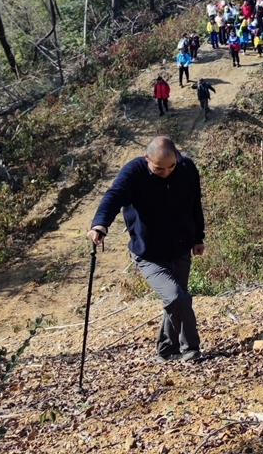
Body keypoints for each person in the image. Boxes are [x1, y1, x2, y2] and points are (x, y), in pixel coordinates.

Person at [87, 136, 205, 363]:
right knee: (176, 297)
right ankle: (191, 348)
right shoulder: (134, 172)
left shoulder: (186, 168)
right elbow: (113, 196)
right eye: (159, 168)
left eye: (171, 166)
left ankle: (167, 350)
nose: (166, 172)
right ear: (146, 159)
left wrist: (198, 237)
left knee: (176, 300)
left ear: (176, 157)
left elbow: (194, 204)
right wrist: (100, 224)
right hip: (148, 253)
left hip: (180, 248)